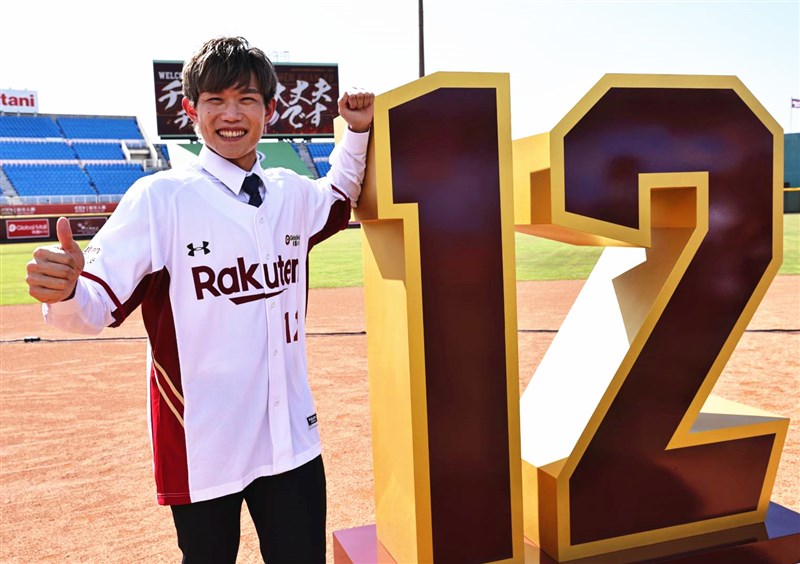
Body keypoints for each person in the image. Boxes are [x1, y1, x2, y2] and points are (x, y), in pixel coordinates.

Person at [25, 36, 374, 563]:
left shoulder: (291, 191)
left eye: (247, 99)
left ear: (269, 110)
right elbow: (94, 307)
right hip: (203, 443)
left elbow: (340, 192)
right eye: (216, 100)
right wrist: (68, 290)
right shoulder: (160, 198)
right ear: (191, 110)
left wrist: (358, 130)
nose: (231, 115)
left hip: (290, 437)